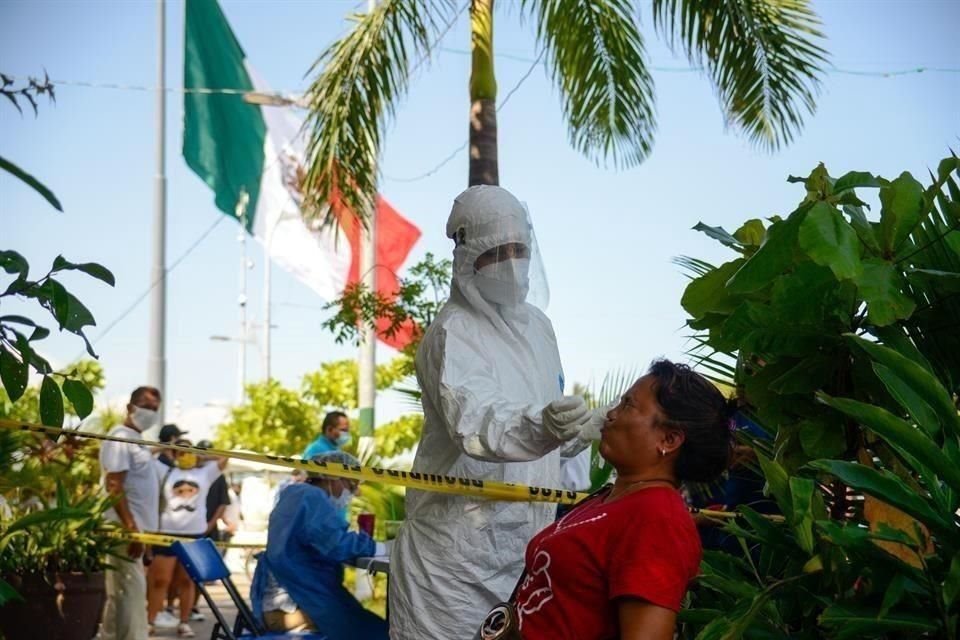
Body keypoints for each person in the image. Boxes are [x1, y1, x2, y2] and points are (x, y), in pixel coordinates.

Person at [389, 185, 596, 640]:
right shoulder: (453, 332)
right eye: (495, 252)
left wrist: (580, 430)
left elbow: (547, 446)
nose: (511, 262)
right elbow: (478, 425)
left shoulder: (538, 329)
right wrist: (542, 424)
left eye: (519, 249)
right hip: (452, 568)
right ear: (466, 259)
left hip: (523, 557)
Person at [499, 360, 734, 640]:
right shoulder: (609, 499)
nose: (610, 414)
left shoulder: (657, 518)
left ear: (669, 440)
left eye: (627, 405)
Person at [250, 451, 389, 640]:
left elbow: (323, 541)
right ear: (332, 476)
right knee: (378, 632)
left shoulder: (296, 494)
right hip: (288, 611)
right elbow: (336, 544)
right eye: (351, 483)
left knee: (372, 626)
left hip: (285, 604)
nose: (354, 491)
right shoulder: (311, 498)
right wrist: (383, 548)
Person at [99, 386, 164, 640]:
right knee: (132, 596)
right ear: (130, 407)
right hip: (124, 530)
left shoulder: (138, 441)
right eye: (146, 406)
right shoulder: (119, 437)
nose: (150, 413)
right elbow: (114, 485)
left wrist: (145, 538)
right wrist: (131, 529)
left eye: (155, 409)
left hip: (137, 533)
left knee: (123, 595)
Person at [146, 438, 227, 638]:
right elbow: (145, 455)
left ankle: (184, 622)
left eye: (187, 451)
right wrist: (166, 447)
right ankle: (150, 621)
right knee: (159, 580)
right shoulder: (165, 471)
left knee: (187, 581)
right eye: (180, 451)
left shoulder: (204, 473)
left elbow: (226, 456)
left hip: (193, 535)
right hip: (166, 534)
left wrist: (200, 456)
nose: (184, 455)